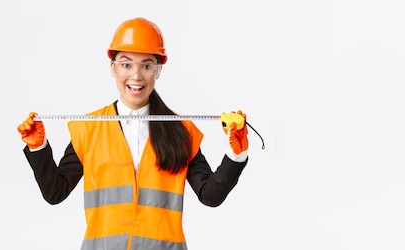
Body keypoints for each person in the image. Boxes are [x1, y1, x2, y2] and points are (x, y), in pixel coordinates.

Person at [17, 17, 250, 250]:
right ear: (113, 67)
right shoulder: (89, 129)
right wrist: (38, 147)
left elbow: (210, 196)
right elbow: (55, 192)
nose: (136, 76)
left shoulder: (181, 131)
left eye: (147, 65)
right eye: (126, 64)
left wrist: (235, 156)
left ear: (158, 71)